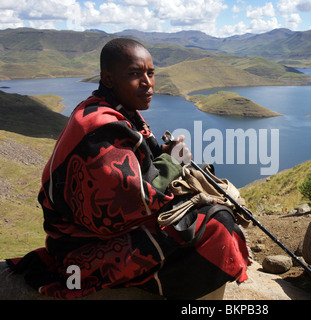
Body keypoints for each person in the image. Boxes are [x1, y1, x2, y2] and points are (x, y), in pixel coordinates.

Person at [6, 38, 250, 299]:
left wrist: (167, 156)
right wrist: (172, 162)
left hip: (93, 234)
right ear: (108, 79)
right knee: (216, 223)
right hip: (84, 248)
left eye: (151, 73)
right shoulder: (101, 129)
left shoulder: (114, 111)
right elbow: (132, 202)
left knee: (206, 207)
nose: (147, 83)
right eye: (135, 74)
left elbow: (140, 168)